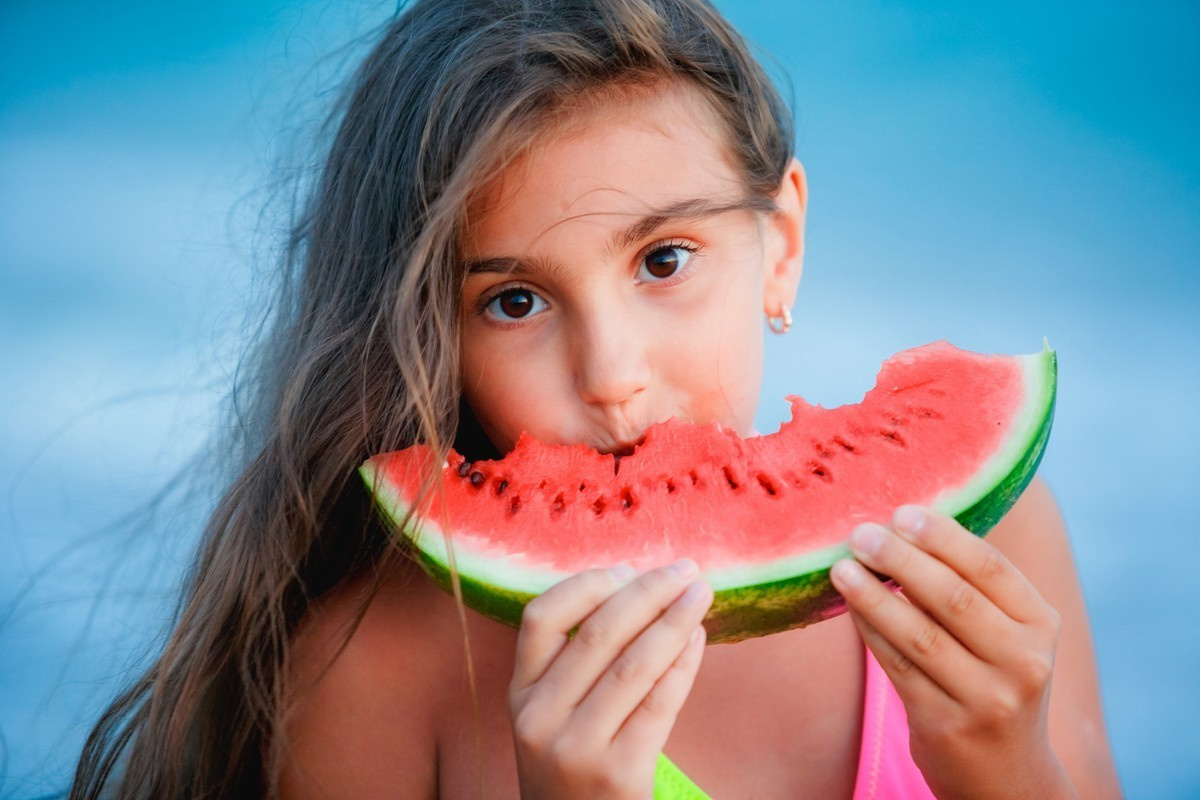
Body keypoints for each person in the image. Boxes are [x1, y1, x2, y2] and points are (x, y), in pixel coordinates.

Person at [71, 1, 1122, 797]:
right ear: (430, 329)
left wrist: (1009, 769)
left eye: (665, 258)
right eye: (515, 298)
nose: (612, 374)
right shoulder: (370, 671)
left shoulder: (990, 550)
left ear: (781, 246)